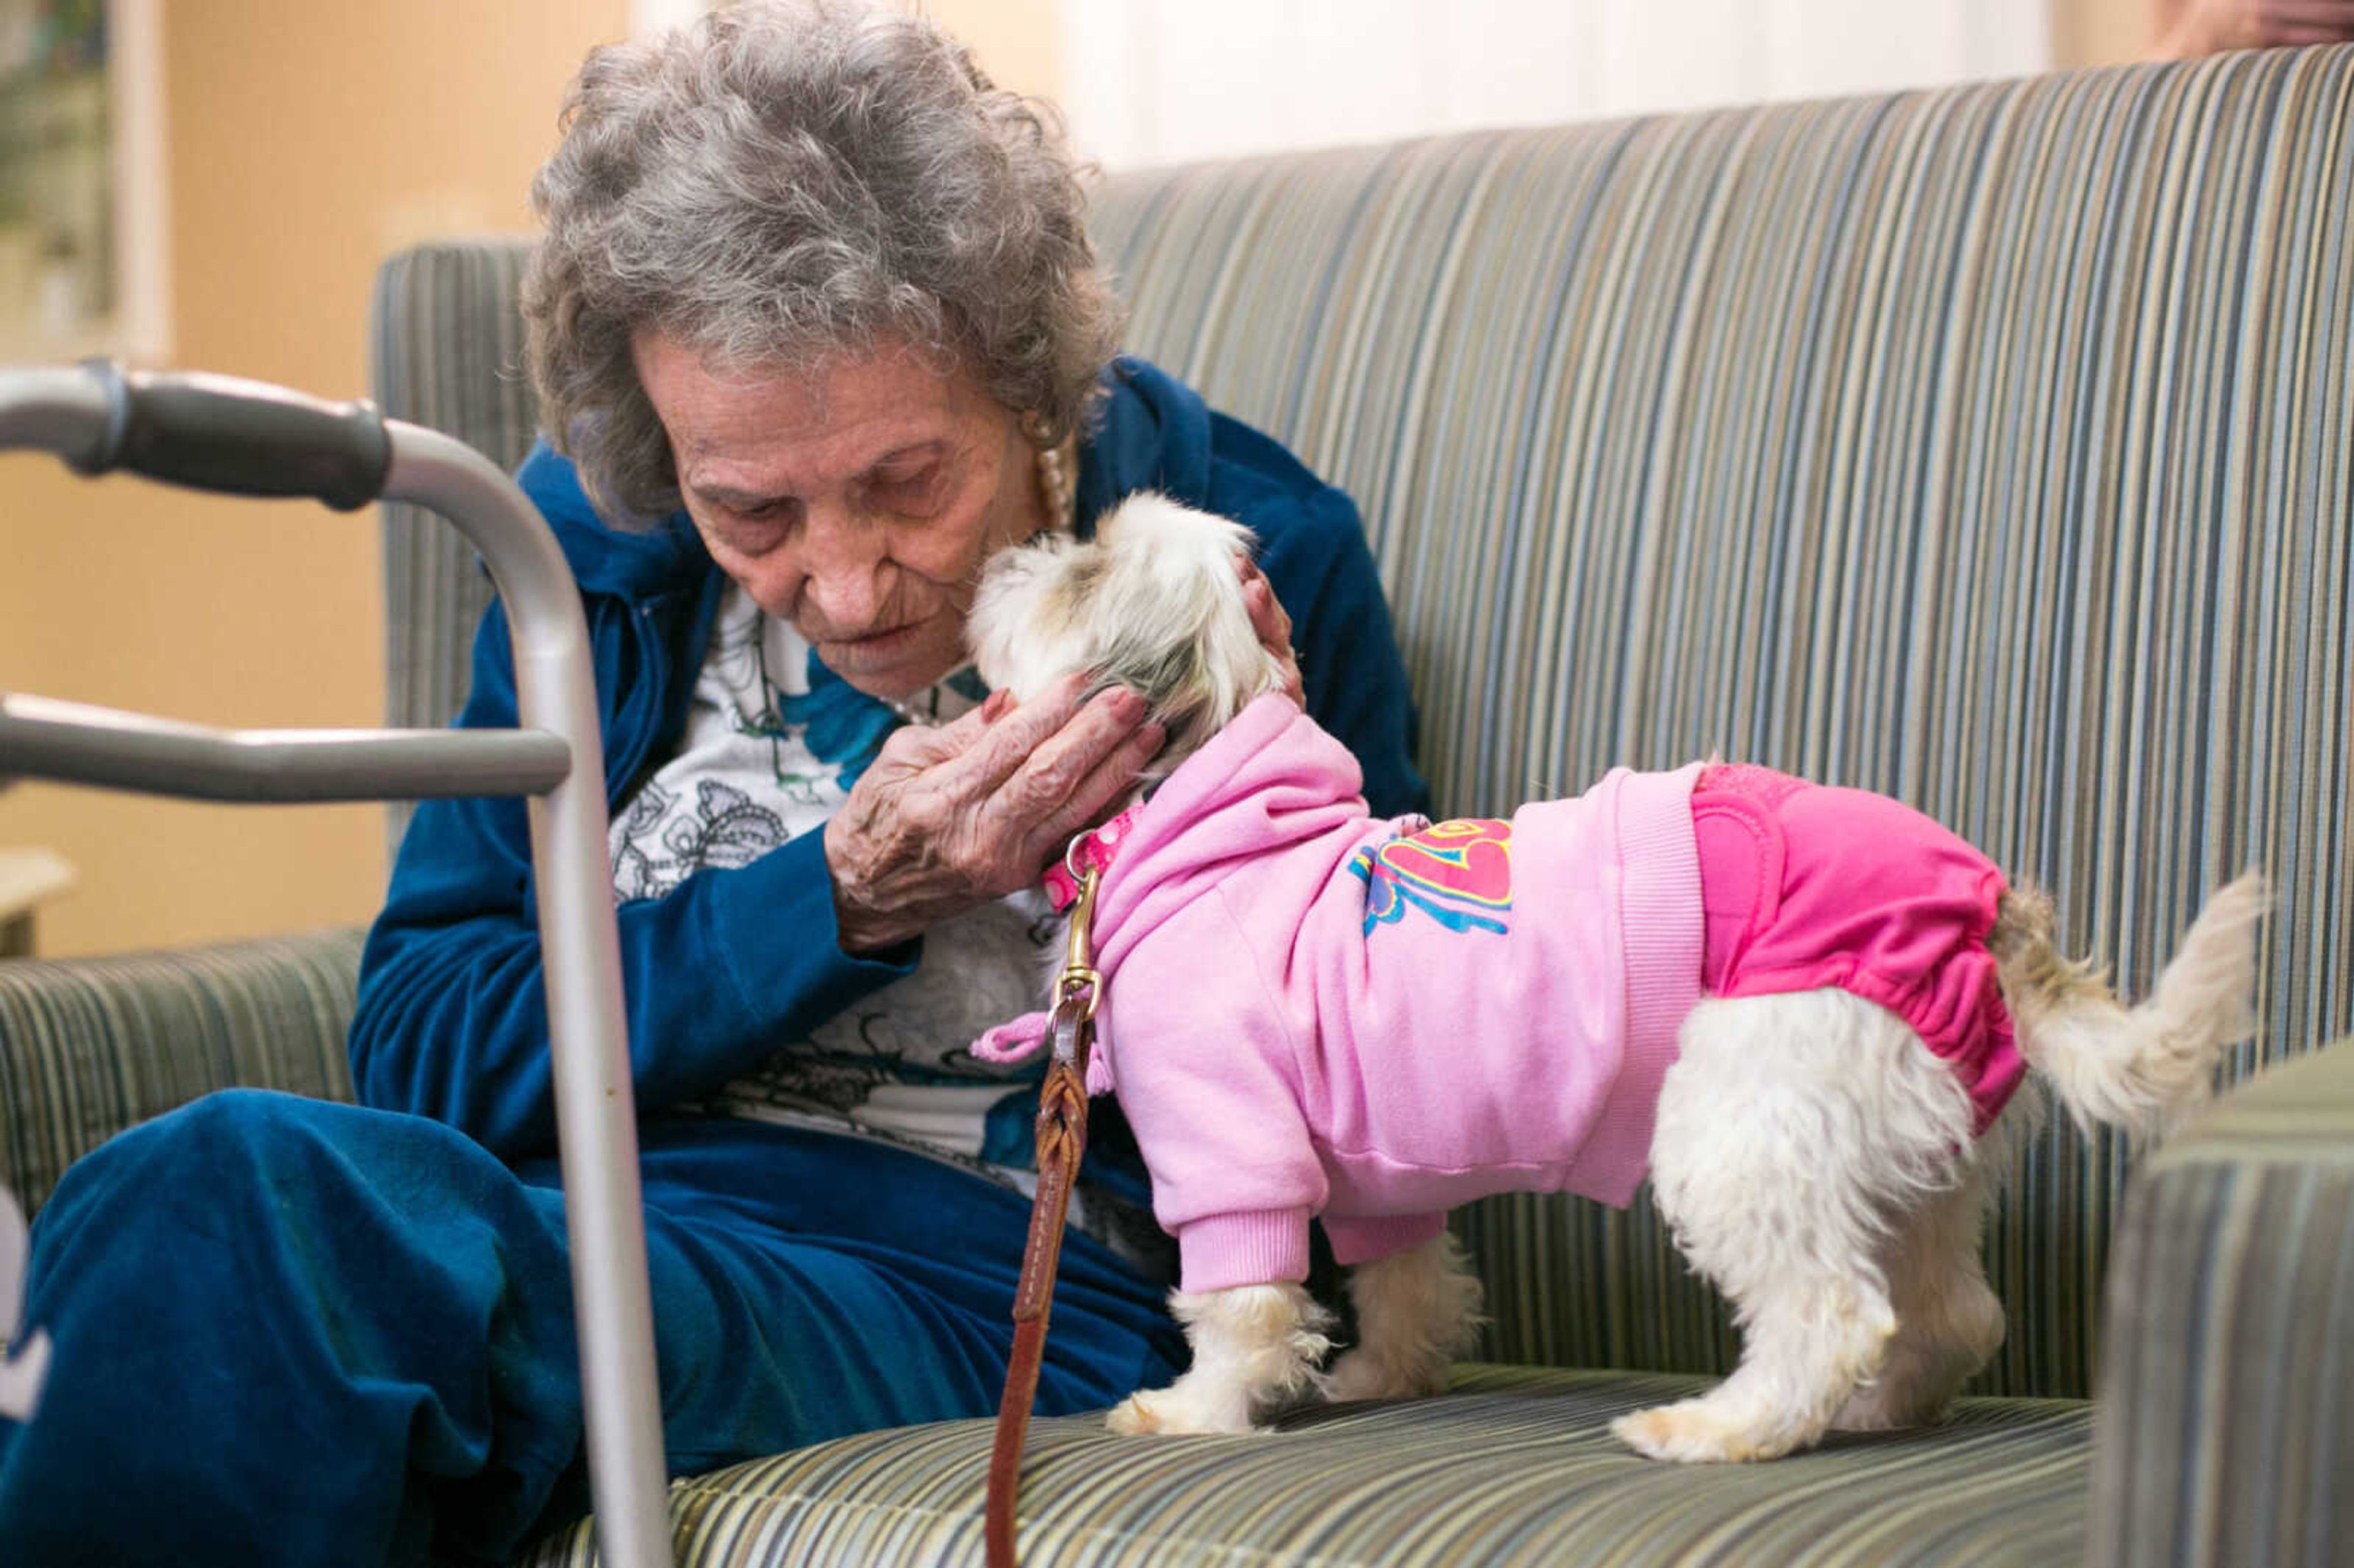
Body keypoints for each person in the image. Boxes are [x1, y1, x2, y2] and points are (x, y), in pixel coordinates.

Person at [0, 4, 1426, 1564]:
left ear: (1026, 384)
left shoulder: (1237, 555)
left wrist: (1223, 807)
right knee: (190, 1191)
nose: (849, 582)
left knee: (226, 1234)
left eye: (908, 483)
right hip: (593, 1216)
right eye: (750, 511)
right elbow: (423, 1042)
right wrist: (833, 899)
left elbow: (1400, 1084)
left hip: (993, 1270)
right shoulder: (585, 556)